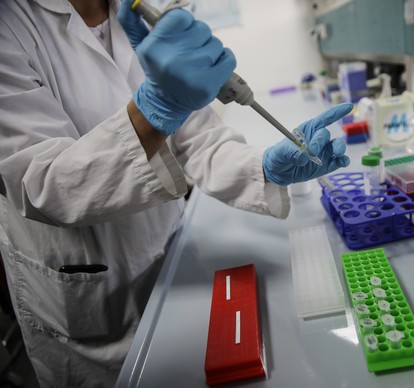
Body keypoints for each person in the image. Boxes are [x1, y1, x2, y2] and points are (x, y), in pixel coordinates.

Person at [0, 0, 352, 387]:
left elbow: (197, 138)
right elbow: (42, 184)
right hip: (82, 280)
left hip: (170, 252)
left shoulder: (143, 10)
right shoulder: (10, 24)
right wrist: (154, 109)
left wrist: (264, 166)